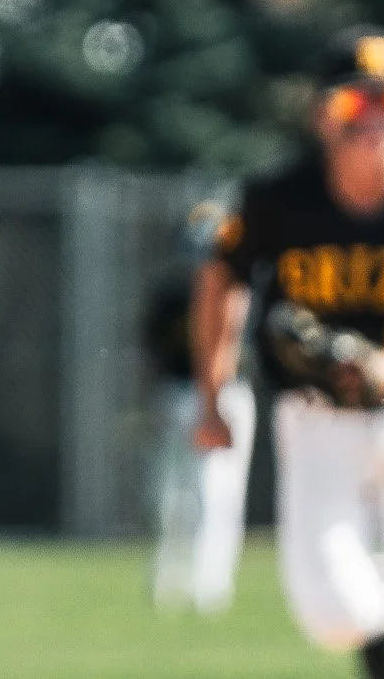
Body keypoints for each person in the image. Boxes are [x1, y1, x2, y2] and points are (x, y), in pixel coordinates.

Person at [192, 26, 384, 679]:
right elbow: (220, 277)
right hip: (317, 417)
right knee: (336, 612)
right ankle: (381, 640)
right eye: (356, 102)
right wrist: (214, 394)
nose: (374, 119)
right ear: (322, 114)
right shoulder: (279, 199)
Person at [143, 206, 254, 614]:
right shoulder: (172, 294)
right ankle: (169, 581)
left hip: (228, 393)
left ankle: (211, 586)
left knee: (218, 493)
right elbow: (155, 352)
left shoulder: (243, 290)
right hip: (179, 392)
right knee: (169, 494)